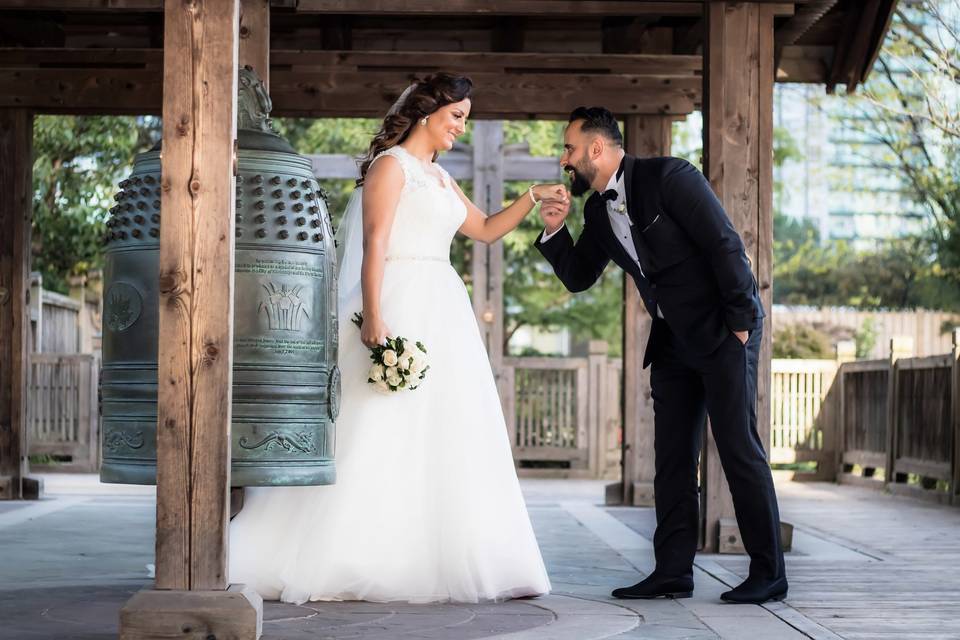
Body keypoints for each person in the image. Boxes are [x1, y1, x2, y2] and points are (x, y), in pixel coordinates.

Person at [229, 73, 566, 605]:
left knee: (449, 431)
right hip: (400, 299)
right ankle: (351, 552)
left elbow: (483, 229)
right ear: (428, 112)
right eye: (457, 115)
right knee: (378, 426)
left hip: (444, 308)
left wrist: (533, 196)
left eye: (466, 118)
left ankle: (439, 553)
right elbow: (375, 243)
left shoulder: (439, 177)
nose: (461, 126)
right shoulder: (392, 168)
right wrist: (373, 316)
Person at [535, 106, 787, 605]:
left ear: (597, 149)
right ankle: (673, 571)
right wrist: (554, 230)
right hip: (671, 343)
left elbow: (725, 246)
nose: (564, 159)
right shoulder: (596, 211)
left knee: (738, 449)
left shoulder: (671, 177)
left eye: (569, 148)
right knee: (671, 461)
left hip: (722, 333)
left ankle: (768, 573)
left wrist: (740, 324)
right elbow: (579, 276)